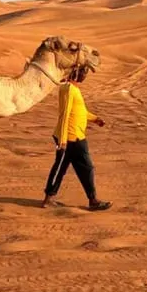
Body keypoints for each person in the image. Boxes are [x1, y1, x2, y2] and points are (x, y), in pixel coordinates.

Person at [42, 66, 112, 210]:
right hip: (69, 138)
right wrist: (62, 140)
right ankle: (50, 199)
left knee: (80, 168)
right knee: (69, 168)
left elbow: (81, 112)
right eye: (82, 72)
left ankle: (92, 200)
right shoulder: (68, 89)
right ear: (75, 73)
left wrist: (95, 119)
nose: (84, 75)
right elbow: (65, 114)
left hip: (77, 136)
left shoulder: (74, 89)